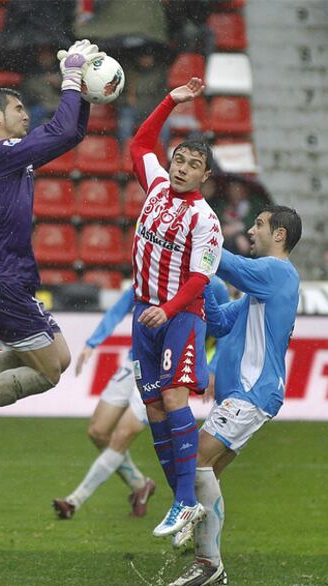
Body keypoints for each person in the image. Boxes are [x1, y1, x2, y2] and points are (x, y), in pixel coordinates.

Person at [0, 40, 105, 459]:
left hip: (10, 277)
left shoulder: (7, 157)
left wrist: (82, 92)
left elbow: (73, 133)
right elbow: (60, 130)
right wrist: (70, 78)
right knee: (48, 375)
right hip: (1, 280)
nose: (26, 115)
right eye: (18, 109)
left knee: (59, 357)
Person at [169, 204, 302, 586]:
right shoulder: (262, 288)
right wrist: (206, 284)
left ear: (279, 235)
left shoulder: (276, 272)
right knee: (203, 475)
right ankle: (208, 560)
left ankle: (208, 562)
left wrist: (200, 237)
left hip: (252, 393)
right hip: (251, 395)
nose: (252, 230)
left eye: (259, 224)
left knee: (195, 464)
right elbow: (222, 322)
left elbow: (229, 265)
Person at [130, 77, 224, 540]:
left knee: (173, 399)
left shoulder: (205, 220)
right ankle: (181, 503)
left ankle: (187, 500)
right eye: (180, 160)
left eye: (194, 165)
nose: (183, 168)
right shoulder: (155, 185)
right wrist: (170, 100)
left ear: (206, 176)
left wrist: (167, 311)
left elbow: (200, 279)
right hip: (142, 313)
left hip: (179, 316)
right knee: (153, 411)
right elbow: (140, 141)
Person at [53, 285, 156, 519]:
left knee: (122, 435)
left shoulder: (207, 283)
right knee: (98, 432)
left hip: (162, 372)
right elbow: (118, 310)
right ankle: (141, 485)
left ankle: (74, 501)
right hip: (134, 363)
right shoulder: (147, 273)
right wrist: (91, 344)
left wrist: (209, 367)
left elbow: (219, 327)